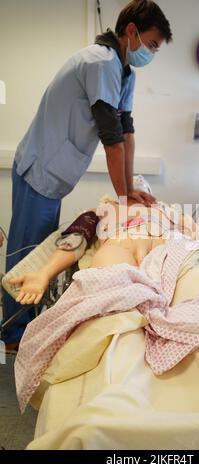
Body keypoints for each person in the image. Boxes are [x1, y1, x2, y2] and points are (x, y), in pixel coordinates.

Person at [3, 0, 172, 349]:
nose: (152, 53)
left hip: (57, 171)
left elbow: (126, 133)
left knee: (42, 246)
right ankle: (12, 334)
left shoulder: (125, 71)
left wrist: (129, 191)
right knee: (29, 251)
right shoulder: (100, 62)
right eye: (152, 44)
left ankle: (25, 326)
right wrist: (124, 198)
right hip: (41, 167)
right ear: (131, 31)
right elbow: (111, 140)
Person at [8, 199, 199, 305]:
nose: (138, 184)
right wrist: (44, 273)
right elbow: (76, 239)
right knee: (109, 305)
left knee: (195, 295)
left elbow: (198, 241)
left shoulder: (169, 210)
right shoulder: (104, 210)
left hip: (167, 249)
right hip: (119, 246)